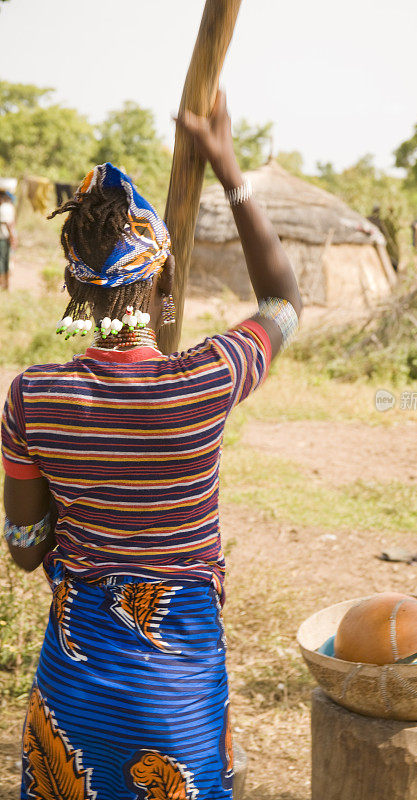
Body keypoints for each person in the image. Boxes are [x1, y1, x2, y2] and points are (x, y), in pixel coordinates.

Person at [2, 89, 302, 800]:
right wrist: (231, 174)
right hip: (178, 700)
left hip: (72, 693)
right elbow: (284, 303)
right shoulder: (208, 378)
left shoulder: (34, 398)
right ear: (165, 281)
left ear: (73, 289)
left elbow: (23, 549)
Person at [0, 189, 16, 290]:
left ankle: (5, 284)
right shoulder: (9, 207)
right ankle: (5, 284)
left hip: (4, 237)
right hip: (5, 237)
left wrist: (12, 237)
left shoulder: (4, 208)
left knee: (3, 260)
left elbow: (8, 224)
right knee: (5, 260)